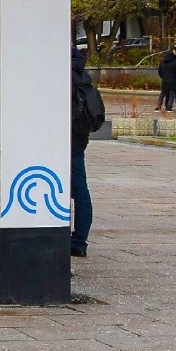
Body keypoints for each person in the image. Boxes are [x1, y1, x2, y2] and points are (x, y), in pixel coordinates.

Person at [71, 47, 97, 258]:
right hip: (79, 138)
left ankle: (78, 241)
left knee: (78, 189)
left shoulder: (62, 75)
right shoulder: (82, 74)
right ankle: (79, 239)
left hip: (65, 140)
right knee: (80, 190)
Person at [157, 47, 176, 112]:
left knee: (162, 93)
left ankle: (158, 106)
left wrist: (163, 77)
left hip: (164, 80)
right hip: (173, 81)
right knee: (172, 94)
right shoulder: (174, 63)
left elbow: (159, 72)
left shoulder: (162, 63)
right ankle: (169, 107)